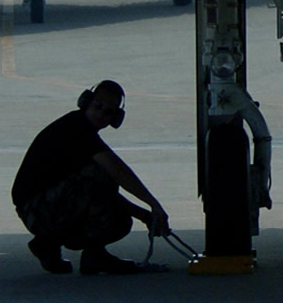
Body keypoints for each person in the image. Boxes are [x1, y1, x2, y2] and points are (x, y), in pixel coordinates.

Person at [11, 80, 171, 275]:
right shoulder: (76, 128)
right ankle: (93, 255)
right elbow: (117, 171)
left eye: (108, 112)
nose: (101, 114)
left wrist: (145, 216)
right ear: (86, 102)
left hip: (43, 207)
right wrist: (154, 204)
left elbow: (99, 194)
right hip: (36, 209)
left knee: (120, 220)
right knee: (103, 174)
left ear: (115, 118)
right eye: (97, 106)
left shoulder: (81, 131)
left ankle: (47, 243)